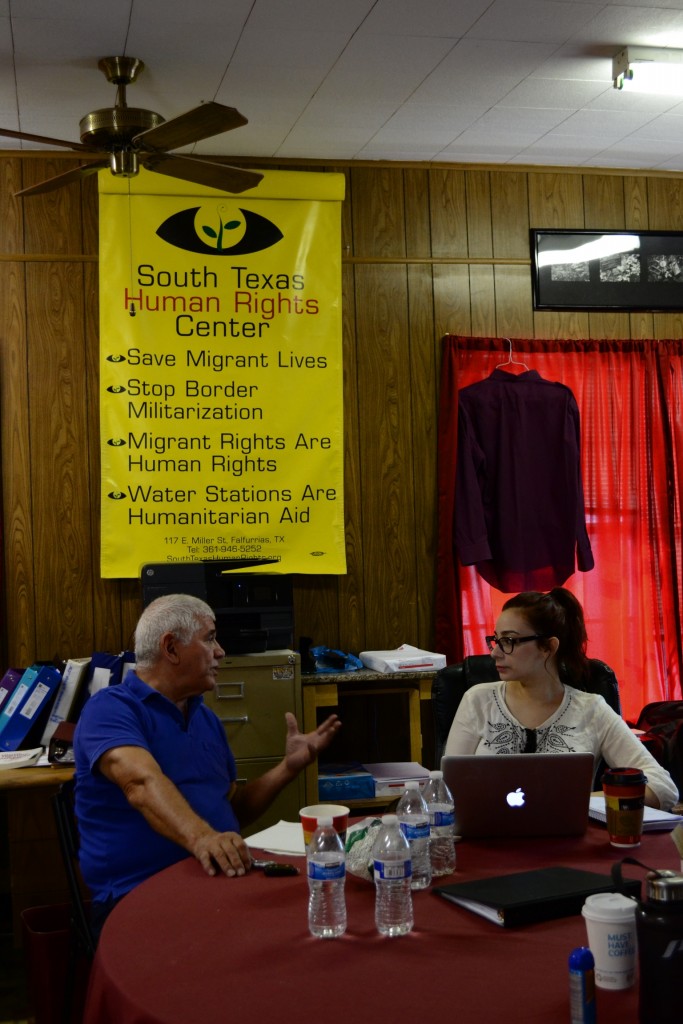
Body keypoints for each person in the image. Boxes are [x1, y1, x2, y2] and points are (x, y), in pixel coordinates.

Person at [74, 593, 341, 936]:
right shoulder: (110, 709)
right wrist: (203, 840)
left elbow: (230, 812)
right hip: (137, 896)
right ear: (171, 648)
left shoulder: (206, 719)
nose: (221, 652)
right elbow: (140, 783)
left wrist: (287, 767)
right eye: (210, 638)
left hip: (215, 881)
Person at [444, 587, 679, 811]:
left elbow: (663, 788)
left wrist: (581, 801)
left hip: (569, 848)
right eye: (496, 640)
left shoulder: (591, 710)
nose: (495, 652)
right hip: (489, 842)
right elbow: (447, 791)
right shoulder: (478, 700)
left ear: (548, 647)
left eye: (509, 641)